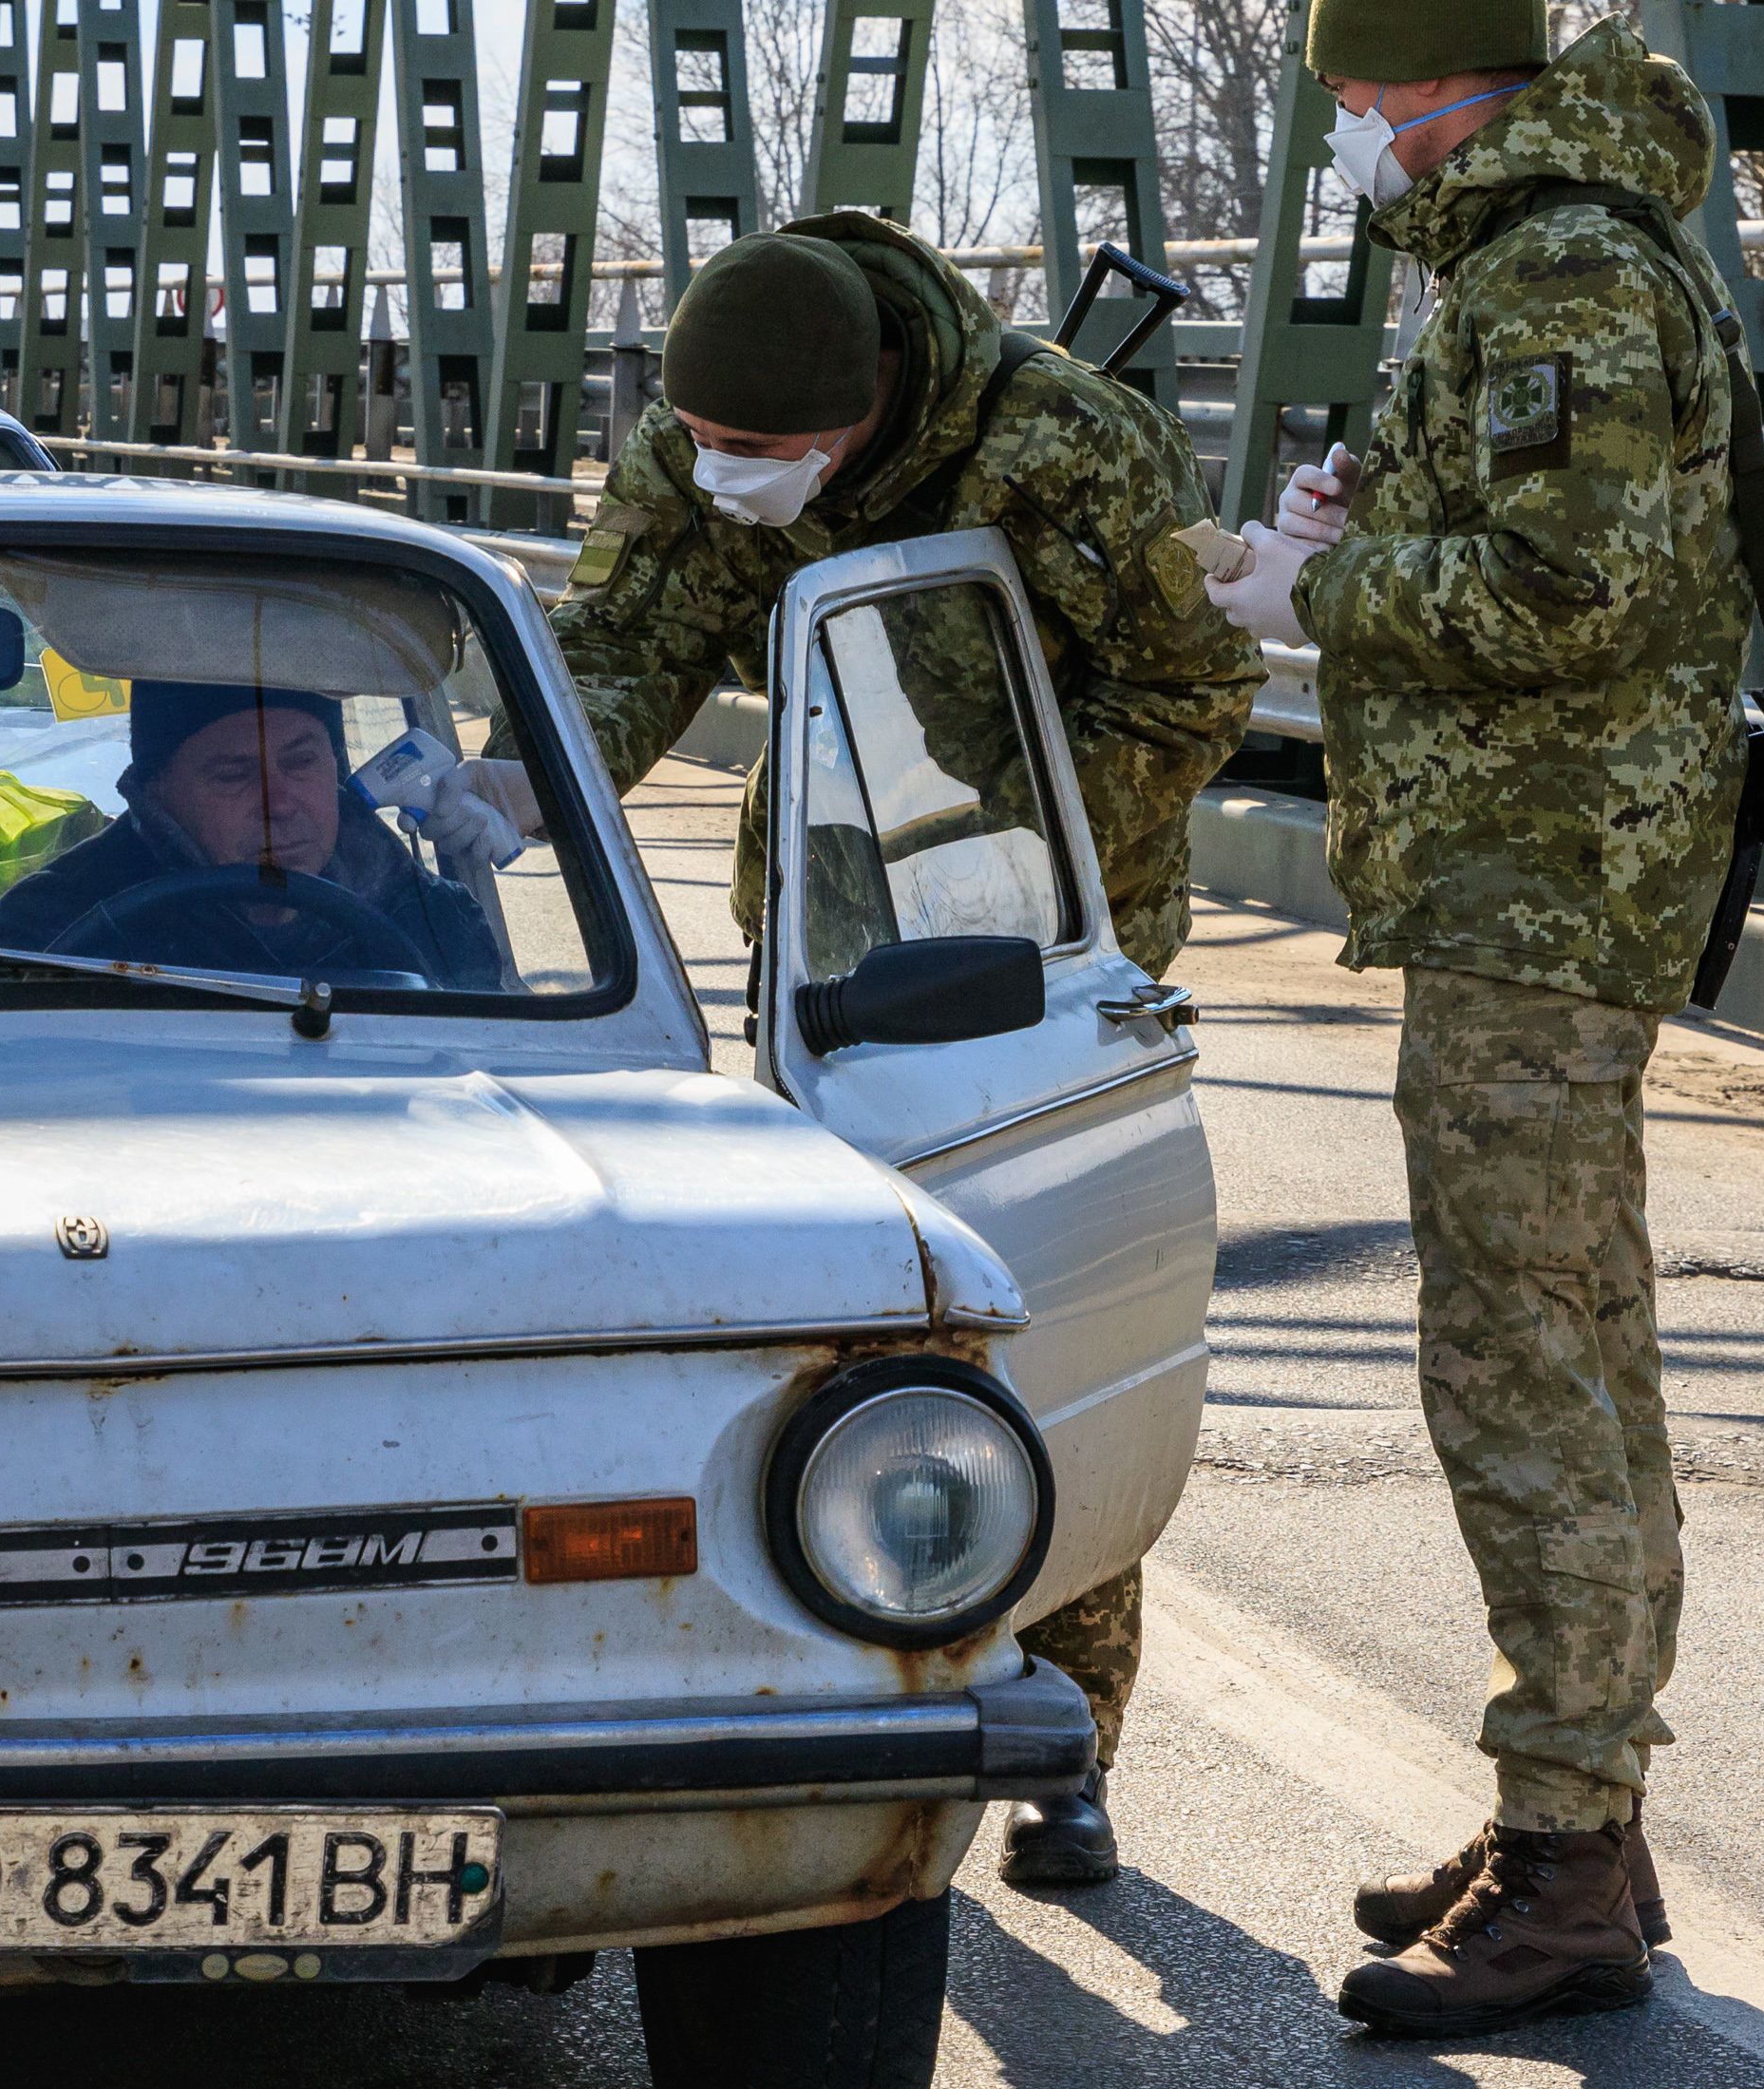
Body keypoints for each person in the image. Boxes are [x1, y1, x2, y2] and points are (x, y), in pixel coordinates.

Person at [548, 209, 1264, 1890]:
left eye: (759, 452)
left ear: (863, 402)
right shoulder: (702, 439)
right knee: (852, 1309)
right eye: (701, 443)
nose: (721, 475)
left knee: (1032, 1307)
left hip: (1047, 934)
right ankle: (840, 1649)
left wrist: (1019, 853)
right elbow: (622, 640)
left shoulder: (1059, 445)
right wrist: (504, 794)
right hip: (827, 924)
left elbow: (1189, 685)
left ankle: (1067, 1731)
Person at [1199, 0, 1747, 2038]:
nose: (1344, 131)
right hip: (1523, 872)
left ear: (1427, 86)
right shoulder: (1533, 254)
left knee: (1514, 1365)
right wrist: (1369, 519)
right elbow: (1531, 541)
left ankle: (1562, 1866)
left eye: (1349, 97)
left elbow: (1557, 595)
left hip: (1544, 876)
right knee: (1577, 1341)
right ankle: (1579, 1816)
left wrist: (1303, 592)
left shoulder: (1561, 266)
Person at [0, 678, 510, 991]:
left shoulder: (433, 918)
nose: (278, 803)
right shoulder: (45, 933)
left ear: (335, 766)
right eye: (232, 775)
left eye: (301, 763)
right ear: (157, 795)